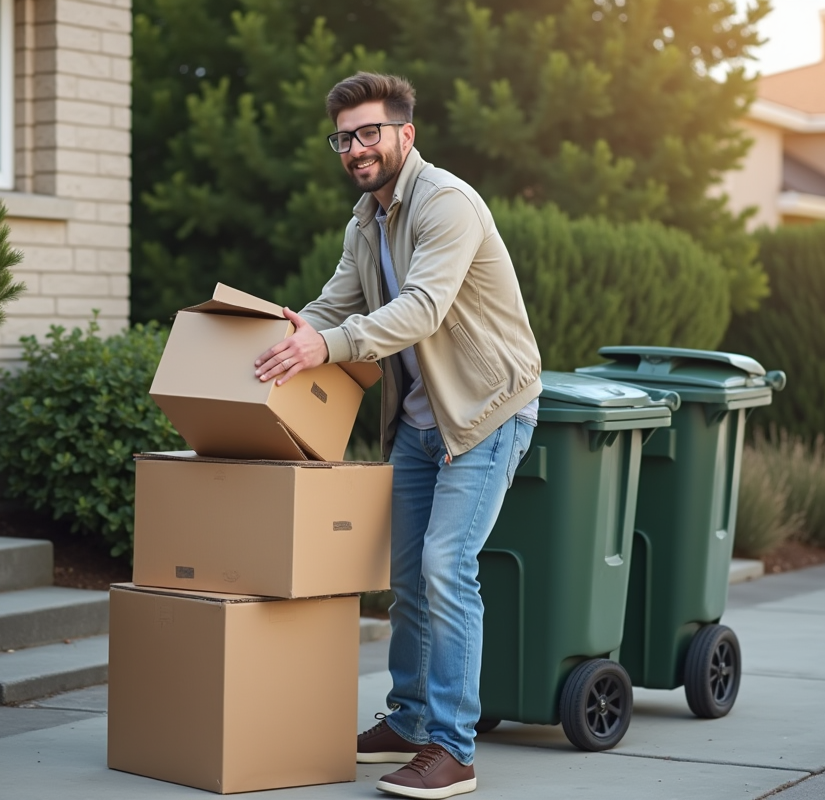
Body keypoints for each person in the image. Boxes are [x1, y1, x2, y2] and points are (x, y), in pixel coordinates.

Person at [255, 72, 541, 799]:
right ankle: (411, 720)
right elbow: (336, 302)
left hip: (483, 414)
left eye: (368, 132)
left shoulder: (446, 203)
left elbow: (421, 309)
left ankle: (453, 748)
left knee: (447, 568)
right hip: (418, 421)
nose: (355, 147)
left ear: (405, 135)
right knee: (407, 578)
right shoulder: (365, 220)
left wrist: (332, 345)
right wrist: (295, 333)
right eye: (344, 137)